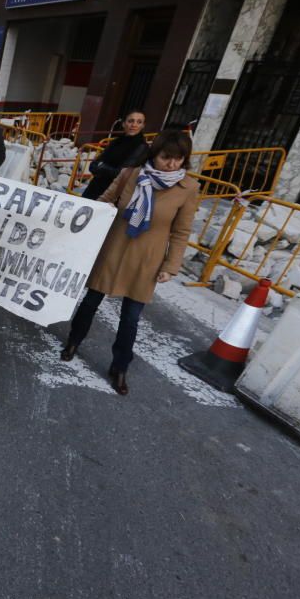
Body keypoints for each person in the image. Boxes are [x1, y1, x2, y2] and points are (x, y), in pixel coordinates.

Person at [60, 130, 200, 395]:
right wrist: (72, 218)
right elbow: (104, 203)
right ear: (154, 154)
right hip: (114, 248)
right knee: (90, 302)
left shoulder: (188, 188)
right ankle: (73, 342)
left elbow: (181, 231)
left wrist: (171, 266)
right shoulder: (131, 175)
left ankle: (120, 367)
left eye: (178, 159)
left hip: (147, 259)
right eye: (166, 158)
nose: (171, 165)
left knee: (131, 318)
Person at [82, 109, 149, 201]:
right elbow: (93, 166)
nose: (134, 125)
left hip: (113, 193)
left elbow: (122, 174)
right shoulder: (116, 142)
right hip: (94, 188)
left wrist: (101, 167)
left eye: (139, 122)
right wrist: (102, 167)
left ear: (143, 126)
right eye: (130, 121)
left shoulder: (142, 147)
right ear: (124, 123)